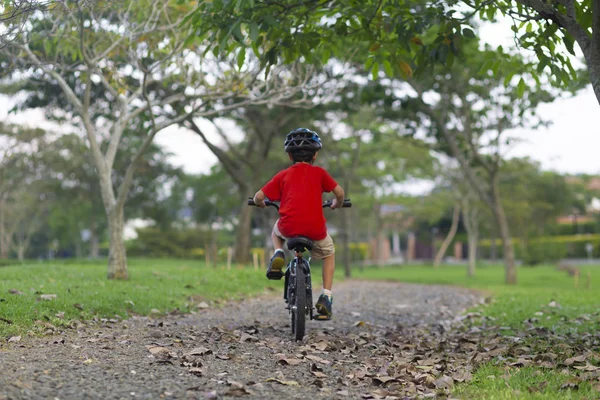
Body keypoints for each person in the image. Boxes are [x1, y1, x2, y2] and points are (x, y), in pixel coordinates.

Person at [252, 128, 345, 321]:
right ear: (316, 154)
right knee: (329, 253)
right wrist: (337, 204)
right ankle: (326, 296)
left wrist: (260, 204)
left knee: (276, 231)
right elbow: (340, 193)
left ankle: (278, 253)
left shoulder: (283, 175)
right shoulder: (320, 173)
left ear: (289, 155)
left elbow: (259, 196)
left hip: (288, 227)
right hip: (315, 229)